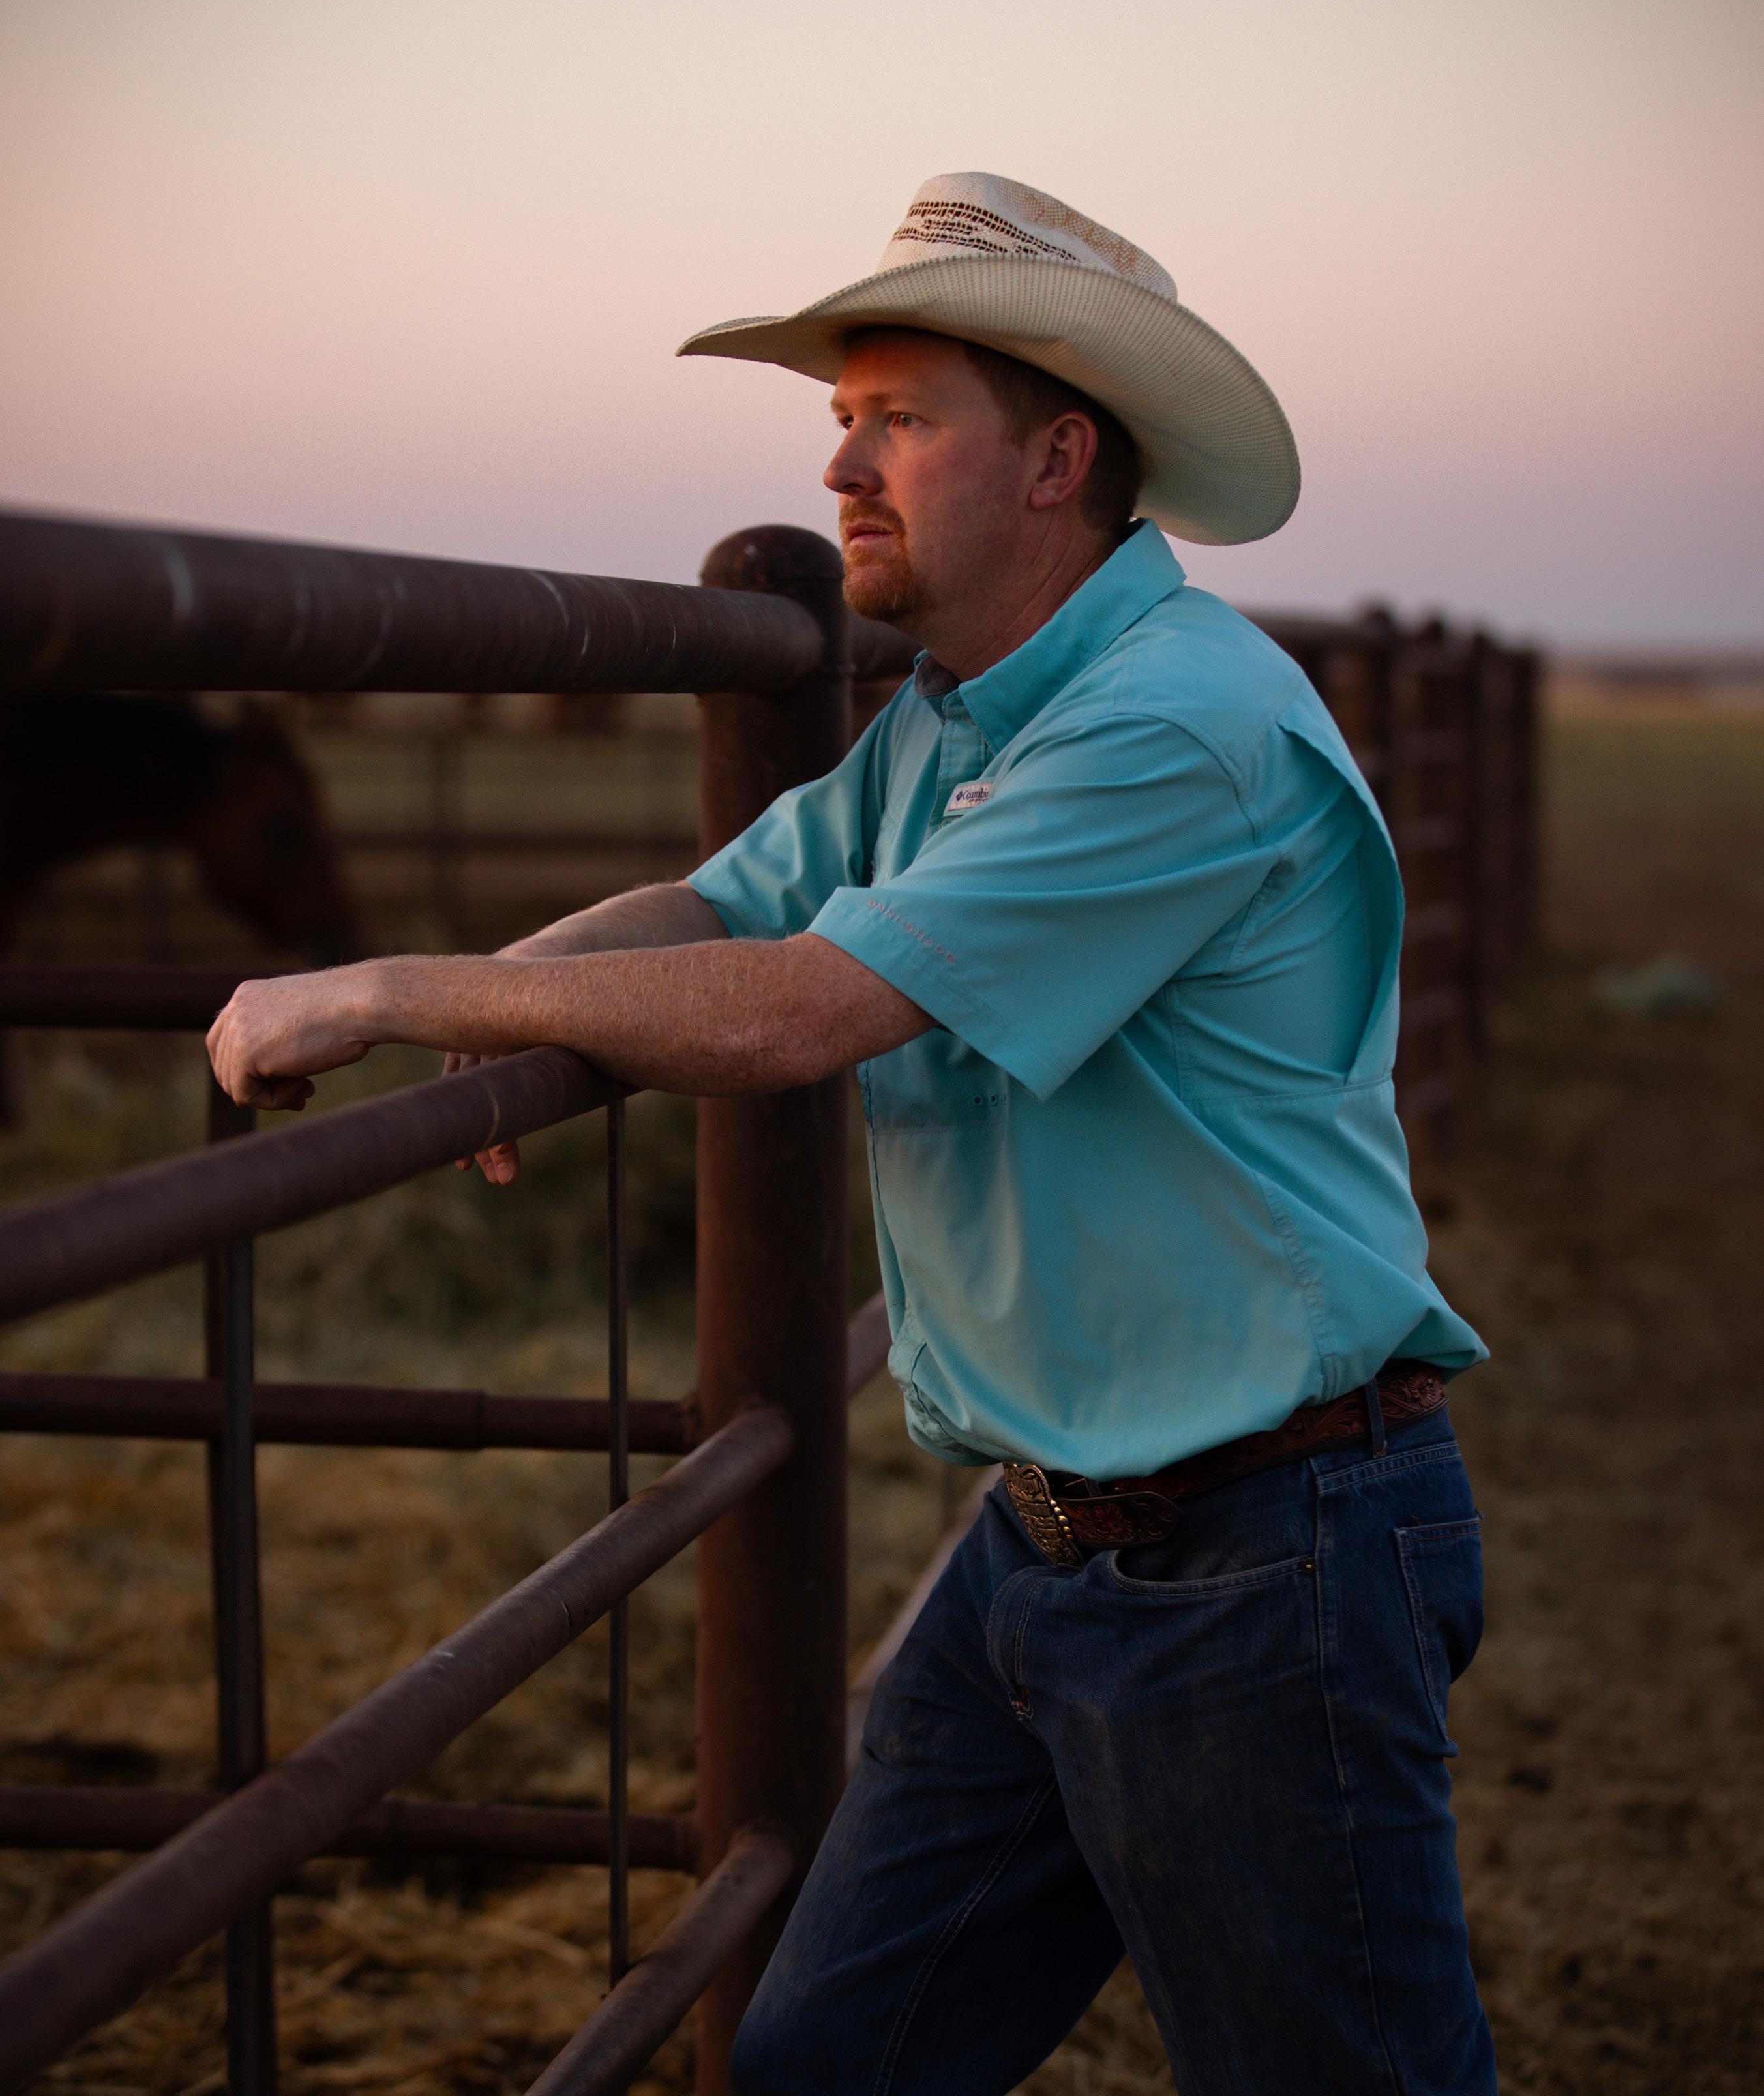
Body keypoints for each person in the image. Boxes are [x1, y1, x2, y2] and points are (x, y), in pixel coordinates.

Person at [207, 172, 1497, 2095]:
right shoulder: (954, 723)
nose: (839, 466)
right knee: (823, 2068)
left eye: (899, 418)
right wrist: (505, 990)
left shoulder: (1169, 727)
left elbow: (804, 1006)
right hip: (1049, 1542)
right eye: (838, 419)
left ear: (1057, 459)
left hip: (1251, 1558)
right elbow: (723, 907)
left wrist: (403, 987)